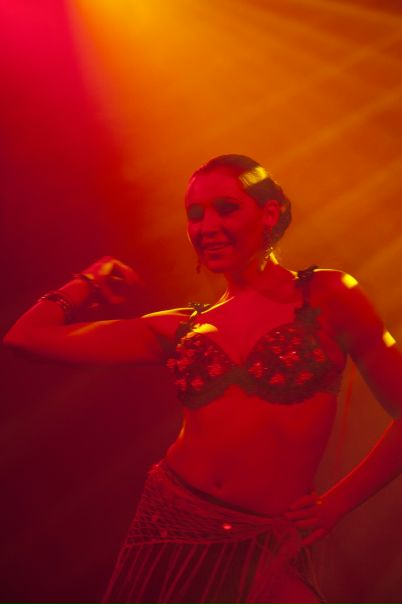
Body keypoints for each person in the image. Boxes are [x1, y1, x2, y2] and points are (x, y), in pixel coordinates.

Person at [4, 154, 402, 604]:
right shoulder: (182, 327)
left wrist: (336, 504)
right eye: (195, 215)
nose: (207, 226)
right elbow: (26, 338)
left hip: (264, 540)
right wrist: (89, 281)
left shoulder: (327, 295)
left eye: (226, 208)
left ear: (269, 213)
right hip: (172, 525)